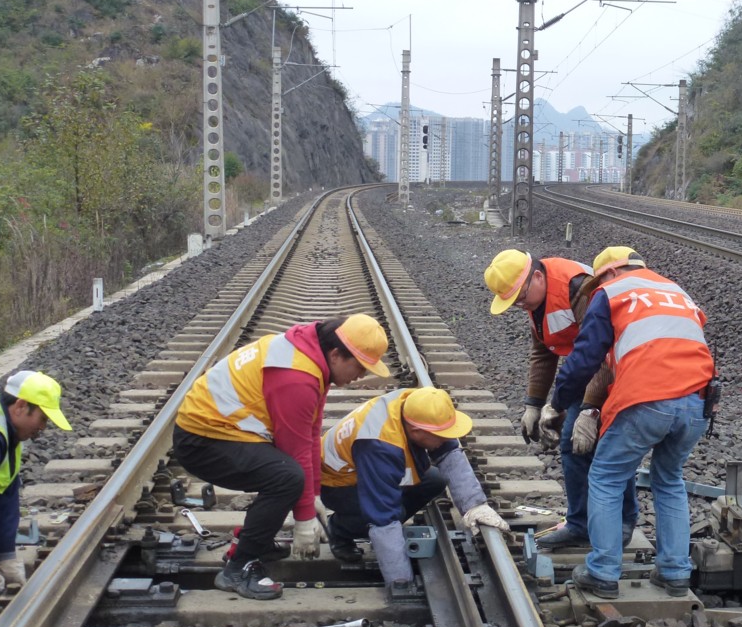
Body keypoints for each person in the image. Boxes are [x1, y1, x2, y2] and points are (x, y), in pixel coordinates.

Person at [173, 314, 391, 600]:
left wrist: (313, 495)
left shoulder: (312, 356)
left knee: (289, 475)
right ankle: (238, 567)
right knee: (285, 476)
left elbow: (310, 433)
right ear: (336, 354)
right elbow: (295, 450)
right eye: (360, 366)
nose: (362, 375)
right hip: (203, 440)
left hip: (224, 430)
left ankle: (256, 540)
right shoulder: (297, 377)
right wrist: (302, 520)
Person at [549, 246, 715, 600]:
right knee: (669, 480)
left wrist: (558, 404)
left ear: (608, 274)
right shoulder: (674, 291)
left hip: (648, 399)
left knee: (606, 477)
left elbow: (584, 359)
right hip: (699, 402)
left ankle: (603, 572)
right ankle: (674, 573)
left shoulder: (610, 293)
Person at [483, 249, 638, 548]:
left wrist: (589, 410)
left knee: (607, 442)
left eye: (519, 296)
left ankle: (622, 520)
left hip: (618, 366)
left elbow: (602, 351)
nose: (518, 304)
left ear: (537, 277)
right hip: (587, 369)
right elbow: (543, 351)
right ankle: (582, 522)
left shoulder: (578, 289)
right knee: (574, 444)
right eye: (512, 301)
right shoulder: (536, 300)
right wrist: (533, 404)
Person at [320, 386, 510, 585]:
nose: (446, 438)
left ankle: (385, 534)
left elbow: (449, 453)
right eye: (441, 435)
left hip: (369, 469)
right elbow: (383, 517)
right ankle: (338, 530)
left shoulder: (417, 406)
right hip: (338, 484)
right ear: (416, 431)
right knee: (392, 513)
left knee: (434, 480)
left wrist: (475, 506)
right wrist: (400, 581)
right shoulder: (378, 445)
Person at [0, 371, 72, 602]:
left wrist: (5, 555)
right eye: (42, 419)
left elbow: (4, 493)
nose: (42, 428)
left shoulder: (7, 431)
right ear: (20, 406)